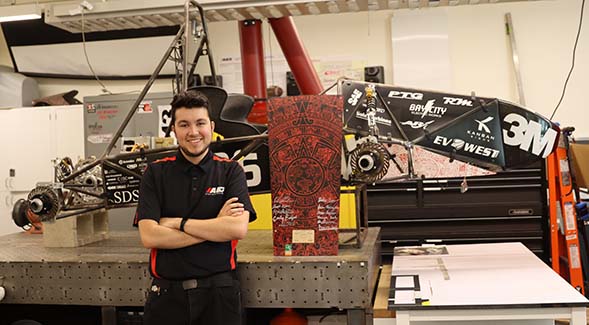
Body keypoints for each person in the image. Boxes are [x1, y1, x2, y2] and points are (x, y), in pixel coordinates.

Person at [135, 89, 257, 325]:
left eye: (200, 123)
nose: (193, 132)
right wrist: (215, 228)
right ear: (173, 130)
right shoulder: (156, 172)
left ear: (211, 126)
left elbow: (236, 230)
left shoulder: (230, 171)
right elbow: (150, 236)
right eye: (184, 125)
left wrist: (177, 224)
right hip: (167, 297)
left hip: (219, 295)